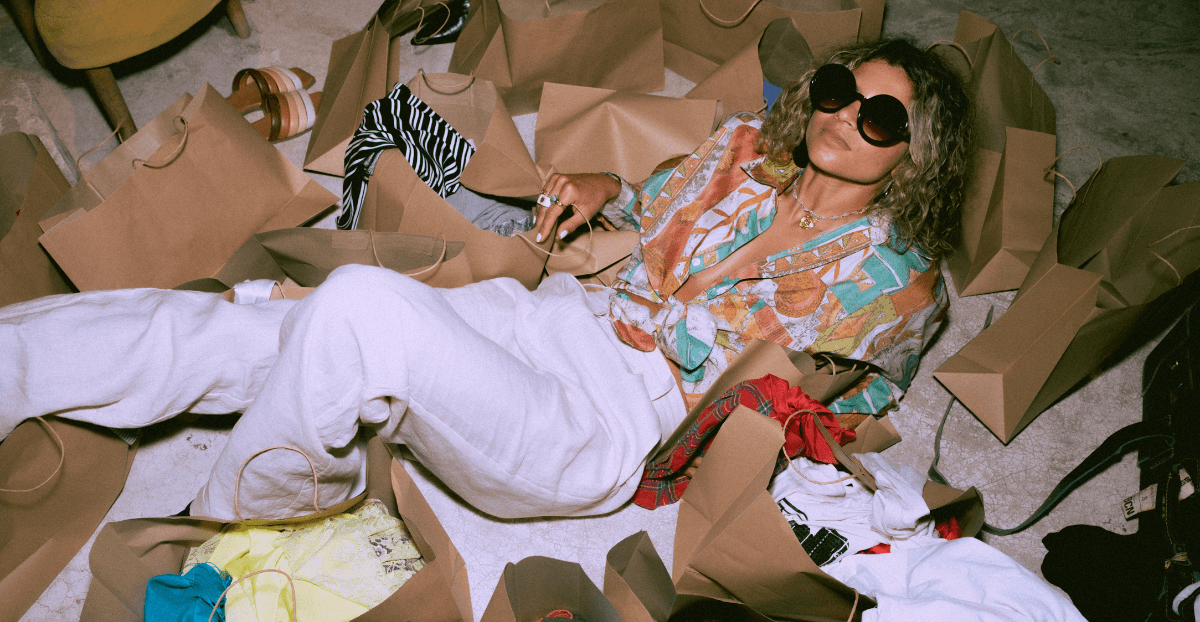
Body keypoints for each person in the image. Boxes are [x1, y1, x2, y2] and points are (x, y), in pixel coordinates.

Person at [0, 38, 970, 521]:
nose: (844, 118)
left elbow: (838, 411)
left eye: (880, 119)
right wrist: (606, 188)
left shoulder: (899, 284)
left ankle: (240, 522)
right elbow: (645, 208)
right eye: (839, 93)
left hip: (609, 424)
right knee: (257, 324)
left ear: (915, 151)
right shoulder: (747, 147)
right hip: (550, 319)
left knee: (362, 308)